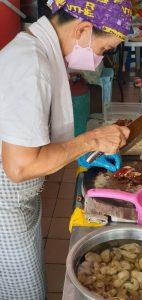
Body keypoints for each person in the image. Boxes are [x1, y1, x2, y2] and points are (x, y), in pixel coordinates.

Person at [0, 0, 132, 298]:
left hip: (20, 200)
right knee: (22, 292)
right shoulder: (30, 64)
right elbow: (19, 166)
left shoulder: (38, 52)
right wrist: (92, 140)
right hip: (5, 207)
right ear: (83, 28)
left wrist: (79, 148)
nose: (100, 60)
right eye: (103, 50)